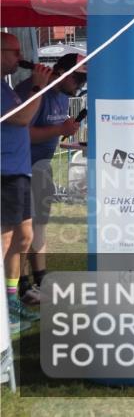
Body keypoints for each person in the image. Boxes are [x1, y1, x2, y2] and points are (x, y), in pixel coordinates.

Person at [16, 53, 84, 303]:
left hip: (42, 166)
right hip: (22, 167)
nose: (80, 86)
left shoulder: (62, 97)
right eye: (78, 79)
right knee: (22, 230)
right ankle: (21, 285)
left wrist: (64, 132)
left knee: (39, 225)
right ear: (62, 72)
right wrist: (59, 129)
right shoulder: (34, 91)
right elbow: (22, 131)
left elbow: (52, 131)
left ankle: (40, 279)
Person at [1, 32, 52, 331]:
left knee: (24, 236)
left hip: (18, 171)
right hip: (4, 170)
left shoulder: (7, 88)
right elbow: (21, 119)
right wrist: (37, 86)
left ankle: (11, 298)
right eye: (12, 51)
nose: (18, 56)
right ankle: (3, 306)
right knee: (6, 238)